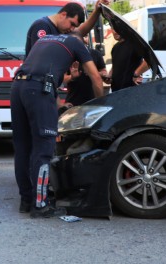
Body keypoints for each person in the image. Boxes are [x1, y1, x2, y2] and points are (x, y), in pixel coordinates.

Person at [11, 32, 104, 218]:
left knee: (23, 147)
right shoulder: (76, 44)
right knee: (44, 147)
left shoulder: (44, 40)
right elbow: (95, 76)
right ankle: (41, 205)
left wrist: (60, 99)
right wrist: (102, 107)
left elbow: (41, 73)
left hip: (18, 88)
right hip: (38, 90)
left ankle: (27, 200)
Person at [24, 0, 110, 58]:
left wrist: (97, 11)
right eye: (72, 24)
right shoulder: (42, 26)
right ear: (63, 14)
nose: (72, 29)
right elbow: (41, 55)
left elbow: (80, 32)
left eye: (75, 27)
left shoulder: (61, 29)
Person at [61, 36, 107, 111]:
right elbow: (63, 79)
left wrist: (95, 73)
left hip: (94, 101)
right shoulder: (66, 56)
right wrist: (72, 77)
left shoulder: (96, 54)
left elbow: (104, 72)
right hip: (74, 102)